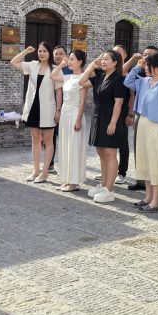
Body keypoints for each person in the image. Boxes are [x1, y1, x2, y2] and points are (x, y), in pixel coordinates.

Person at [124, 53, 158, 212]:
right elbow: (127, 81)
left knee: (155, 164)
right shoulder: (144, 81)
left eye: (148, 65)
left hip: (157, 127)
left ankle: (156, 201)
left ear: (157, 66)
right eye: (145, 65)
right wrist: (137, 66)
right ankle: (148, 197)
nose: (146, 68)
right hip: (143, 124)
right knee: (145, 162)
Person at [11, 42, 62, 183]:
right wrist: (26, 51)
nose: (41, 53)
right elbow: (13, 62)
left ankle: (45, 172)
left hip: (49, 109)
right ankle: (36, 170)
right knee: (35, 140)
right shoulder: (32, 65)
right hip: (33, 107)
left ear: (49, 53)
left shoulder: (55, 69)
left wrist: (58, 111)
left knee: (48, 141)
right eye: (40, 51)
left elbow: (58, 92)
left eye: (45, 51)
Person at [80, 50, 127, 203]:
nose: (103, 61)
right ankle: (103, 184)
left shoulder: (118, 79)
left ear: (115, 62)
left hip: (110, 118)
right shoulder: (100, 76)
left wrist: (113, 122)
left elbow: (119, 103)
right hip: (97, 118)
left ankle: (109, 189)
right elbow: (82, 82)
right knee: (101, 153)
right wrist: (91, 66)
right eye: (102, 59)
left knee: (109, 154)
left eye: (106, 59)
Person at [51, 49, 88, 192]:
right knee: (65, 147)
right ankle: (67, 179)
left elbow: (82, 102)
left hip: (74, 115)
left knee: (73, 148)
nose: (70, 61)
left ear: (80, 62)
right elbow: (53, 75)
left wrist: (78, 120)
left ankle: (74, 182)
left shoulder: (83, 79)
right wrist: (62, 64)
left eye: (72, 59)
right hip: (65, 116)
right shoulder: (67, 77)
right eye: (70, 59)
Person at [126, 45, 158, 192]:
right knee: (139, 149)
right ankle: (141, 180)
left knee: (152, 152)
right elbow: (127, 82)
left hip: (154, 118)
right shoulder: (141, 74)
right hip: (140, 116)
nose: (146, 57)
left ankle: (154, 183)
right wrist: (136, 67)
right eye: (145, 54)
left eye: (150, 55)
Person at [112, 45, 132, 185]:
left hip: (123, 110)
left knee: (123, 142)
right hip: (110, 110)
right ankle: (109, 169)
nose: (116, 55)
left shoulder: (129, 73)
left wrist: (130, 113)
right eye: (114, 53)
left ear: (125, 55)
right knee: (108, 142)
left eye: (119, 53)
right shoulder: (110, 71)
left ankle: (122, 172)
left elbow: (132, 94)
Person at [48, 45, 69, 173]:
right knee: (51, 136)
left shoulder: (70, 70)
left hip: (65, 108)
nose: (58, 56)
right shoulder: (50, 69)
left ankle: (66, 166)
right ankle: (50, 163)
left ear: (66, 55)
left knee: (65, 137)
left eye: (61, 54)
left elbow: (60, 91)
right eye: (56, 54)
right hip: (51, 106)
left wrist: (59, 110)